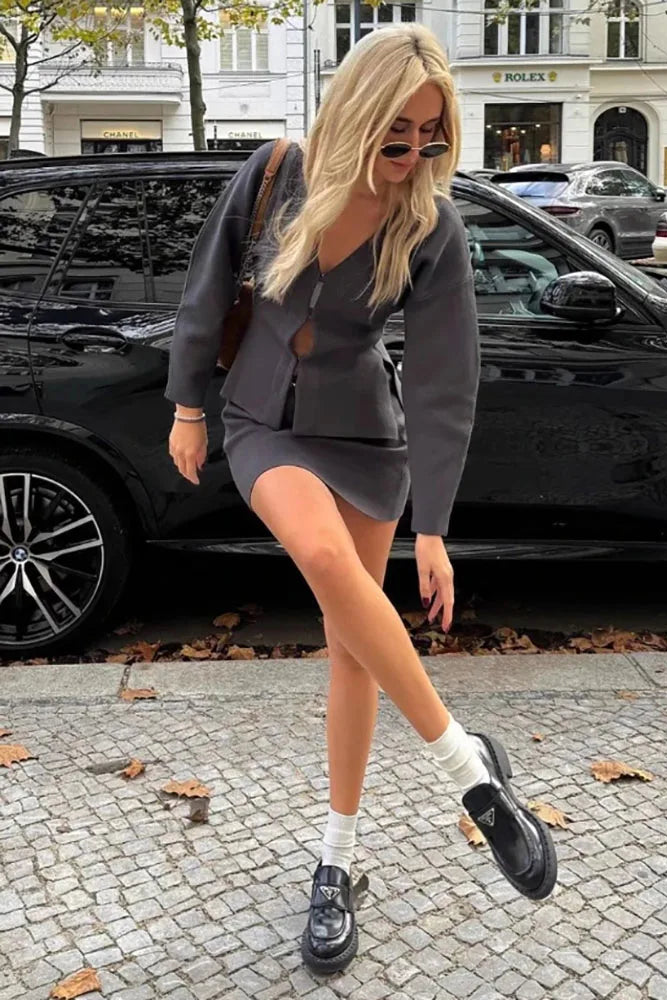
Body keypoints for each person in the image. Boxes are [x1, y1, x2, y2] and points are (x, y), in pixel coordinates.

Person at [165, 22, 557, 977]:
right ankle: (470, 773)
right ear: (354, 114)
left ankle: (336, 862)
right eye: (395, 135)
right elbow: (208, 289)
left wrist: (436, 528)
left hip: (367, 441)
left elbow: (444, 381)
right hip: (263, 421)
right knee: (323, 559)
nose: (412, 156)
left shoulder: (431, 222)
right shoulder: (277, 175)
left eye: (431, 137)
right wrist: (186, 404)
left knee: (352, 651)